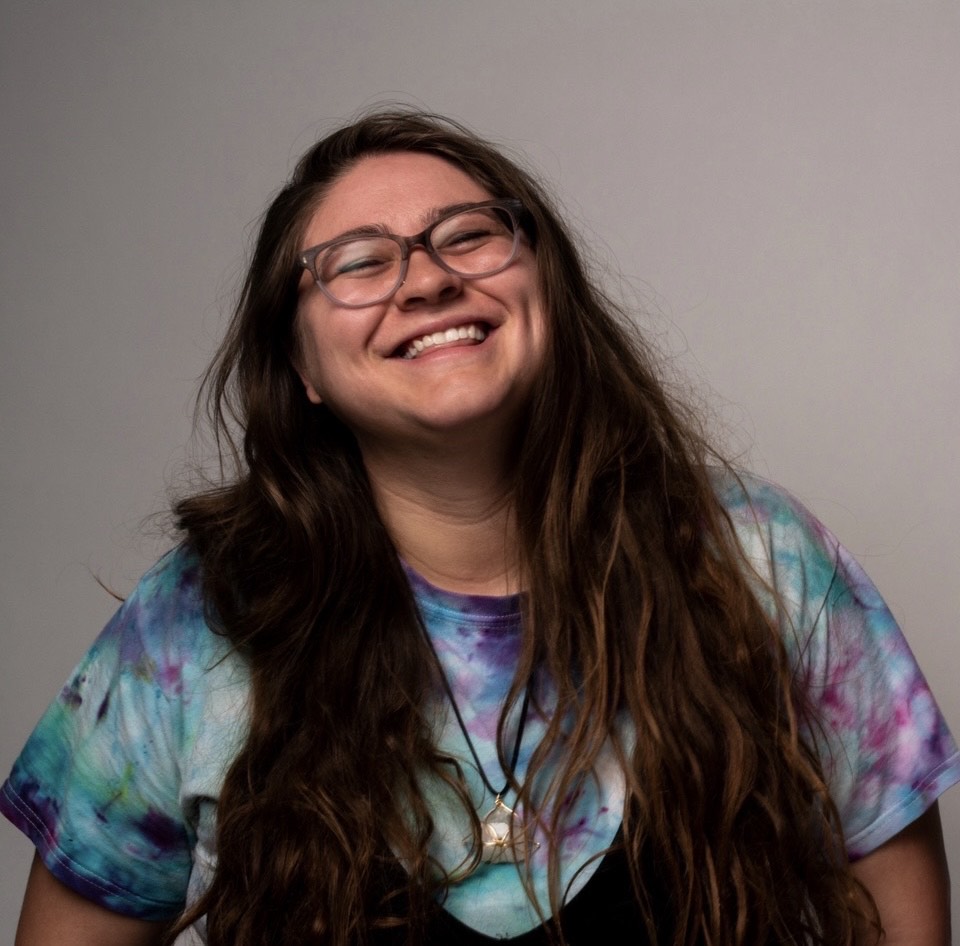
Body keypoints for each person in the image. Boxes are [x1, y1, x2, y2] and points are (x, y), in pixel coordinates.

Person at [3, 110, 957, 946]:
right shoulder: (200, 623)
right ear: (300, 367)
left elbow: (894, 910)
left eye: (468, 236)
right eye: (360, 264)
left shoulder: (760, 561)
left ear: (547, 287)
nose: (425, 281)